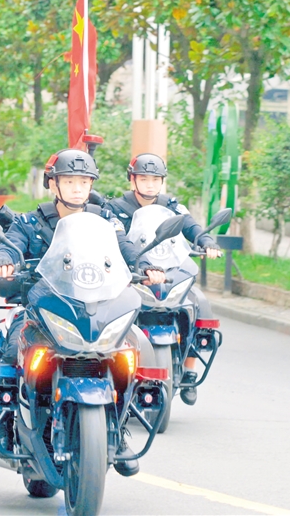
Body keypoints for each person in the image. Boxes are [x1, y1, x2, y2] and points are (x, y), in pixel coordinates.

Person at [0, 148, 163, 477]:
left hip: (94, 309)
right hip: (43, 310)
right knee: (12, 352)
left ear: (91, 184)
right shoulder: (30, 222)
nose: (78, 188)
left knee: (128, 351)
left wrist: (145, 264)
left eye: (83, 181)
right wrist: (3, 260)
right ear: (53, 185)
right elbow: (11, 244)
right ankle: (7, 425)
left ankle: (119, 427)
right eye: (69, 181)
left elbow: (125, 247)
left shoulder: (103, 220)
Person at [103, 153, 221, 405]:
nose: (150, 185)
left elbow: (190, 226)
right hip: (133, 276)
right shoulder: (116, 209)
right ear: (132, 180)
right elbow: (119, 241)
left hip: (167, 273)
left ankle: (190, 369)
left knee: (198, 303)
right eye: (144, 179)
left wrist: (206, 241)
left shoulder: (172, 206)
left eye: (155, 180)